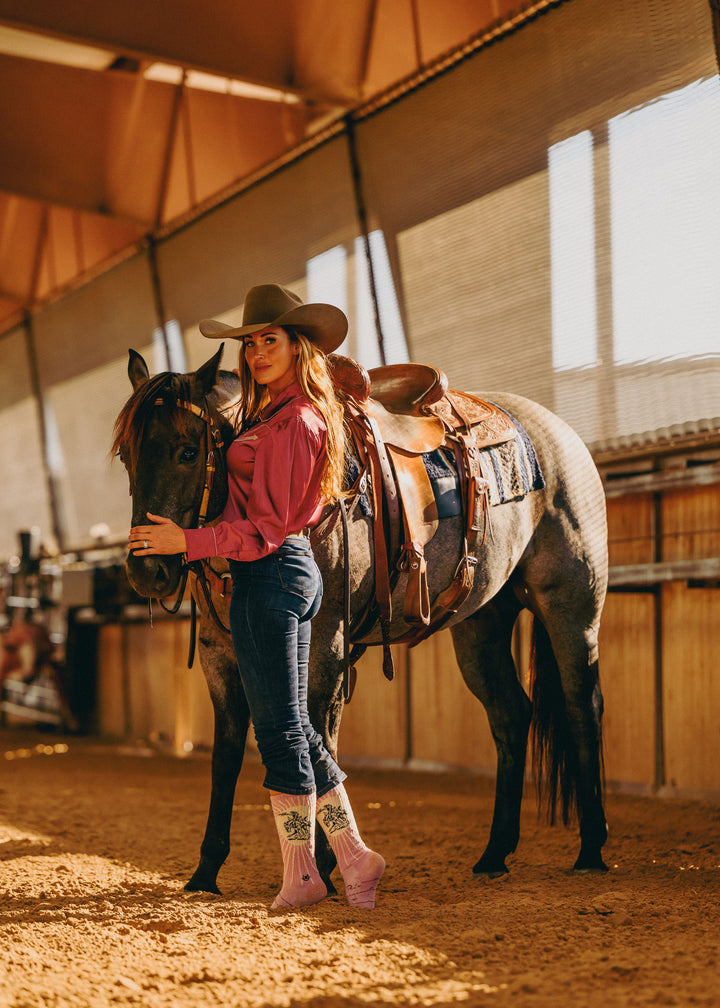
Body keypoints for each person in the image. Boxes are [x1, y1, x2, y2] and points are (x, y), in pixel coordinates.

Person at [128, 284, 385, 911]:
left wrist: (184, 540)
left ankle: (303, 871)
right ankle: (352, 856)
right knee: (294, 727)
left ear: (298, 348)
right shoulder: (272, 414)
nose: (256, 351)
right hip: (274, 575)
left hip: (270, 574)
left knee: (278, 732)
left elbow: (267, 529)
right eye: (249, 342)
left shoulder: (295, 422)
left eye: (270, 339)